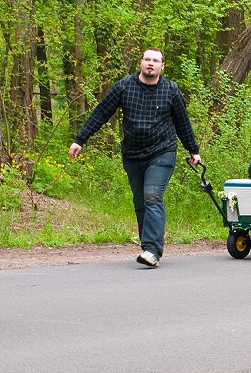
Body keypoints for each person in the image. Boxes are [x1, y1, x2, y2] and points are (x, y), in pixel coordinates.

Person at [69, 48, 201, 268]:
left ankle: (152, 250)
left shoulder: (171, 90)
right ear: (141, 63)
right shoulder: (124, 86)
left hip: (162, 151)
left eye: (155, 61)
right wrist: (80, 140)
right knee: (140, 202)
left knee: (152, 195)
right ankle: (147, 245)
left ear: (162, 66)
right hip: (132, 154)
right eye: (147, 60)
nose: (151, 63)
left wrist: (193, 150)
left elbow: (182, 122)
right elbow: (101, 113)